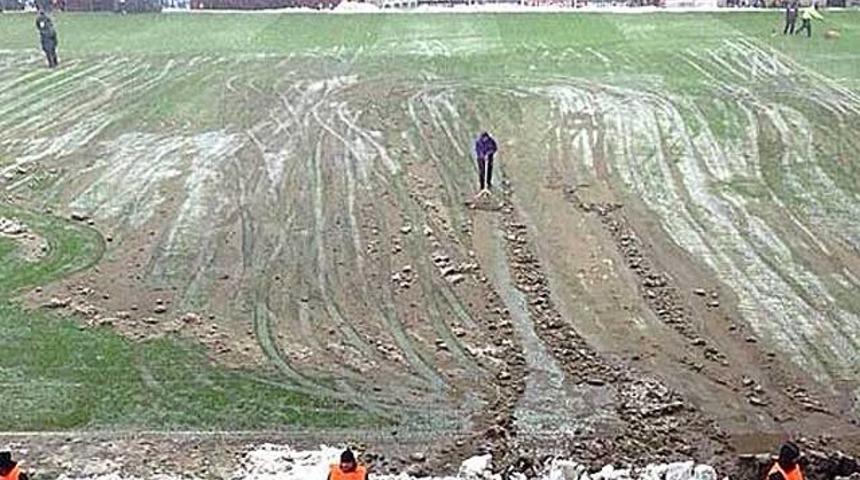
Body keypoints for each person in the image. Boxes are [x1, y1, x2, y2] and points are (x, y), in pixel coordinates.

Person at [474, 131, 498, 198]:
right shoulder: (479, 142)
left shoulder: (491, 141)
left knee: (489, 171)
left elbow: (494, 148)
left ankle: (488, 184)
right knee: (482, 172)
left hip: (489, 159)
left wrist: (489, 153)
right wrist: (482, 155)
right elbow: (477, 150)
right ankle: (482, 186)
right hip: (481, 160)